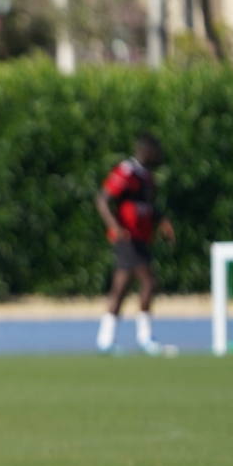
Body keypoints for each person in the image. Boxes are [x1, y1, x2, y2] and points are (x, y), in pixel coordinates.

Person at [94, 133, 175, 355]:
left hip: (140, 237)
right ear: (145, 151)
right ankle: (146, 337)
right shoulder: (127, 171)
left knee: (121, 286)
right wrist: (115, 226)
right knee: (148, 282)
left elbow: (147, 205)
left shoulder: (147, 176)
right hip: (127, 238)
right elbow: (103, 199)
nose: (158, 155)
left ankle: (105, 339)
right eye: (155, 150)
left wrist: (162, 221)